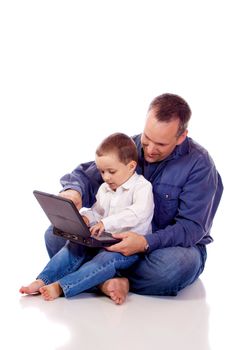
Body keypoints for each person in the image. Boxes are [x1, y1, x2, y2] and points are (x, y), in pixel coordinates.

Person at [43, 93, 223, 303]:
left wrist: (145, 243)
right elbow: (90, 174)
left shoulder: (200, 165)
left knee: (178, 265)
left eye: (160, 144)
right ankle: (106, 280)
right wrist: (74, 191)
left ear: (181, 137)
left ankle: (100, 277)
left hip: (165, 246)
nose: (149, 149)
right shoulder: (131, 146)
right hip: (116, 238)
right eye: (147, 138)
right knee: (54, 234)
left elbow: (191, 228)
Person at [20, 133, 154, 304]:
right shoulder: (105, 188)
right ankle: (43, 280)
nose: (106, 177)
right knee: (73, 246)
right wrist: (85, 218)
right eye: (102, 171)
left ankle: (62, 286)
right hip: (104, 239)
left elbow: (137, 213)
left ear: (131, 166)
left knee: (103, 260)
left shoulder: (142, 187)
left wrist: (105, 223)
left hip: (127, 247)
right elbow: (97, 212)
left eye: (111, 171)